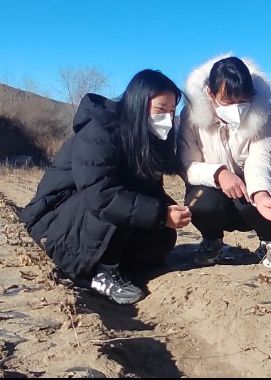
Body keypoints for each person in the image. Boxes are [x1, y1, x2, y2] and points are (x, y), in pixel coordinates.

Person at [20, 70, 191, 305]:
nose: (168, 119)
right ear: (138, 104)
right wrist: (160, 214)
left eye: (172, 112)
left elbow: (150, 188)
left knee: (162, 237)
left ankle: (113, 263)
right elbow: (102, 195)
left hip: (91, 214)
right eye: (161, 110)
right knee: (124, 200)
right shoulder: (100, 132)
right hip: (57, 220)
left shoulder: (144, 137)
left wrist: (169, 209)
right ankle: (101, 274)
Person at [178, 54, 271, 268]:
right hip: (214, 188)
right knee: (200, 203)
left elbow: (261, 157)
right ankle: (212, 241)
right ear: (210, 93)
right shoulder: (190, 115)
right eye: (228, 101)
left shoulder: (264, 112)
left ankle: (270, 242)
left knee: (255, 200)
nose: (237, 107)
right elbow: (187, 164)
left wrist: (261, 193)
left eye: (243, 101)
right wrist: (219, 174)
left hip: (252, 184)